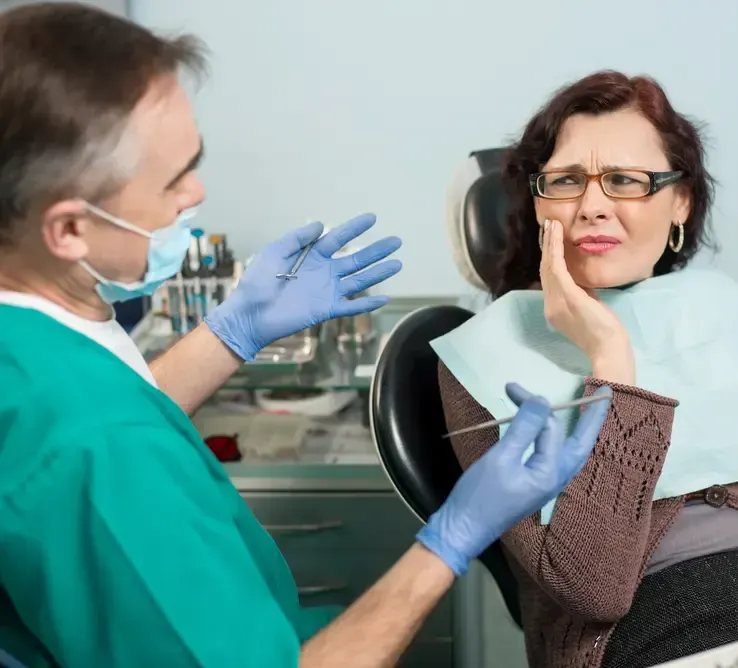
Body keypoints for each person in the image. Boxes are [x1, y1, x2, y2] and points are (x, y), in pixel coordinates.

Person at [0, 4, 614, 667]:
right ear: (68, 229)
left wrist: (233, 333)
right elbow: (98, 441)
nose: (196, 193)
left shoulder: (36, 338)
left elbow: (108, 411)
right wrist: (453, 538)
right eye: (173, 178)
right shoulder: (100, 452)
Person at [438, 71, 738, 668]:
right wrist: (611, 364)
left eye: (625, 180)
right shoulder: (480, 360)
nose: (593, 206)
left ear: (681, 201)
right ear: (538, 201)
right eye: (567, 181)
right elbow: (592, 587)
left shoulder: (726, 312)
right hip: (635, 637)